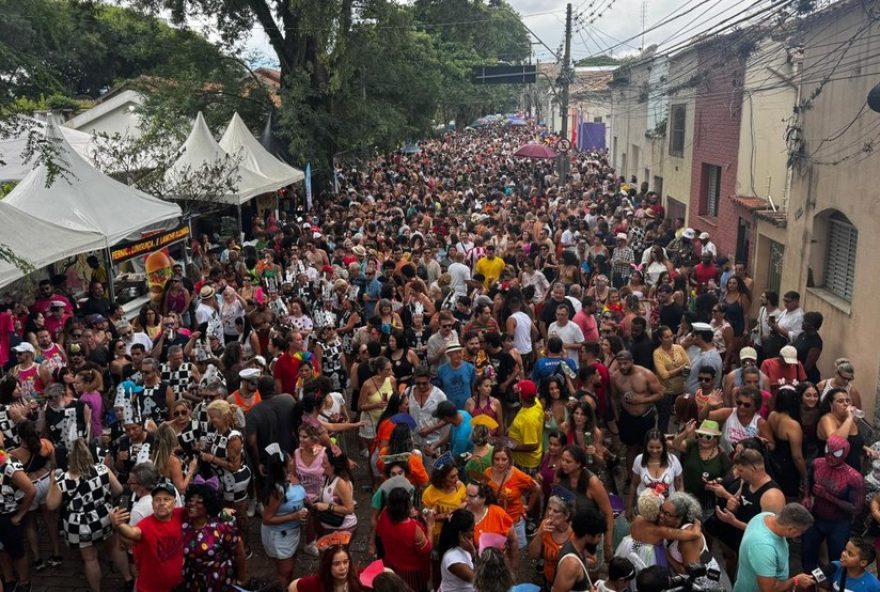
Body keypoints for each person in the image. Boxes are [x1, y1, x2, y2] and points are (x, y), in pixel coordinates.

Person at [47, 438, 131, 592]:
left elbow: (51, 505)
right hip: (103, 515)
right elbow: (118, 490)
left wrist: (52, 482)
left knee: (90, 558)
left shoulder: (63, 480)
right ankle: (128, 579)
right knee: (115, 547)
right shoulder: (102, 470)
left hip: (78, 523)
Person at [801, 435, 865, 573]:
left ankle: (833, 585)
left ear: (845, 453)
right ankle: (810, 582)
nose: (830, 457)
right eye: (827, 451)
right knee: (807, 553)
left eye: (836, 454)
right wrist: (806, 496)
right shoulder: (817, 463)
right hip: (816, 517)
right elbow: (807, 479)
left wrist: (828, 496)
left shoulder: (854, 478)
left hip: (838, 523)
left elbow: (856, 508)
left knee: (838, 560)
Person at [108, 481, 185, 592]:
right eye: (157, 500)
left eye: (166, 499)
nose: (161, 503)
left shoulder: (180, 515)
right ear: (152, 503)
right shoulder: (145, 525)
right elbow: (132, 532)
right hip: (150, 588)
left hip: (177, 585)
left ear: (174, 502)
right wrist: (118, 524)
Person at [180, 478, 247, 591]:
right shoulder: (184, 525)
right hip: (194, 581)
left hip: (220, 581)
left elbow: (239, 553)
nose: (192, 504)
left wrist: (241, 580)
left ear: (208, 505)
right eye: (191, 500)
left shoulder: (222, 527)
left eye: (199, 502)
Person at [733, 503, 815, 592]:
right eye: (801, 532)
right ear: (790, 529)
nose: (801, 535)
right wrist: (795, 580)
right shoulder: (764, 548)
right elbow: (768, 589)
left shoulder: (766, 516)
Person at [260, 452, 308, 587]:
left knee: (289, 569)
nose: (293, 460)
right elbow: (267, 518)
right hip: (280, 537)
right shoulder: (278, 490)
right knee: (285, 572)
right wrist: (294, 516)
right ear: (283, 468)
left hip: (292, 532)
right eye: (290, 460)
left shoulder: (291, 478)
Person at [374, 487, 432, 592]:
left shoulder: (383, 514)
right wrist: (430, 526)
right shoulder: (413, 528)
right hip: (413, 573)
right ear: (407, 506)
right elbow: (426, 549)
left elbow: (379, 531)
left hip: (392, 566)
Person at [625, 429, 683, 518]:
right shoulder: (639, 460)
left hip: (667, 511)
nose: (654, 451)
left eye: (658, 447)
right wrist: (628, 508)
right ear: (646, 446)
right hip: (645, 510)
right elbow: (633, 484)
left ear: (663, 446)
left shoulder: (673, 460)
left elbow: (679, 486)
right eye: (651, 447)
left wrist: (680, 508)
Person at [464, 481, 518, 572]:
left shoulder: (498, 513)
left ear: (483, 498)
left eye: (471, 496)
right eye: (466, 494)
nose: (466, 499)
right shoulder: (462, 512)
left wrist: (513, 568)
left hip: (497, 569)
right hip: (469, 570)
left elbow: (513, 541)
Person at [552, 507, 608, 592]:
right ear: (588, 536)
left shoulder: (579, 549)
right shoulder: (571, 564)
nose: (599, 540)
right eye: (599, 536)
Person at [527, 493, 574, 586]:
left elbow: (592, 561)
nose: (550, 513)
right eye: (549, 508)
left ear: (567, 515)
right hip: (548, 581)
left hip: (567, 584)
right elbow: (532, 555)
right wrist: (540, 534)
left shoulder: (575, 532)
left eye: (555, 511)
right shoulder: (545, 525)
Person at [289, 534, 362, 592]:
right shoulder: (317, 583)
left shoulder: (359, 578)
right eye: (336, 564)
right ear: (328, 565)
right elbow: (293, 586)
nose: (343, 568)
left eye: (345, 562)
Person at [507, 380, 544, 474]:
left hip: (526, 464)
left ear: (521, 396)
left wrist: (512, 447)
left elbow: (532, 445)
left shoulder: (528, 420)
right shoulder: (536, 402)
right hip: (525, 460)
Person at [437, 508, 476, 592]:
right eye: (471, 530)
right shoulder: (453, 559)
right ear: (460, 533)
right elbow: (479, 581)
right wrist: (474, 554)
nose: (474, 533)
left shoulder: (463, 547)